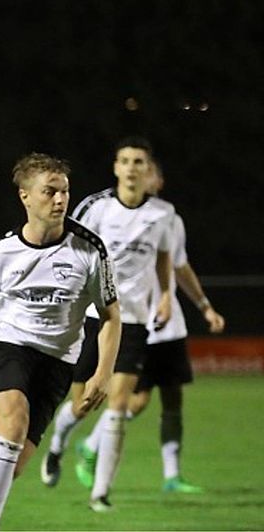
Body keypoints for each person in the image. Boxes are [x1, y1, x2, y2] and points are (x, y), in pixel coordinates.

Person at [0, 152, 120, 531]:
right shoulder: (1, 253)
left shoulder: (89, 250)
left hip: (59, 360)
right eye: (50, 191)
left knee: (7, 467)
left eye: (64, 191)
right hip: (5, 344)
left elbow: (111, 316)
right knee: (13, 423)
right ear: (25, 196)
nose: (60, 200)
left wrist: (103, 373)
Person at [41, 137, 176, 512]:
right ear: (116, 167)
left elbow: (163, 256)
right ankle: (57, 446)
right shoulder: (96, 207)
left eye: (139, 162)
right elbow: (67, 247)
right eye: (125, 161)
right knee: (83, 404)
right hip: (91, 317)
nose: (132, 168)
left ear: (148, 170)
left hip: (133, 321)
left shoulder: (162, 214)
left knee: (118, 406)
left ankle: (100, 494)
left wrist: (166, 294)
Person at [125, 160, 225, 493]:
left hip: (170, 325)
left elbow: (180, 268)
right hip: (136, 321)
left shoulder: (170, 218)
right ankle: (93, 444)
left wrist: (205, 307)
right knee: (135, 400)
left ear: (158, 180)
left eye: (149, 170)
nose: (142, 175)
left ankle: (172, 475)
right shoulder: (115, 216)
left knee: (173, 399)